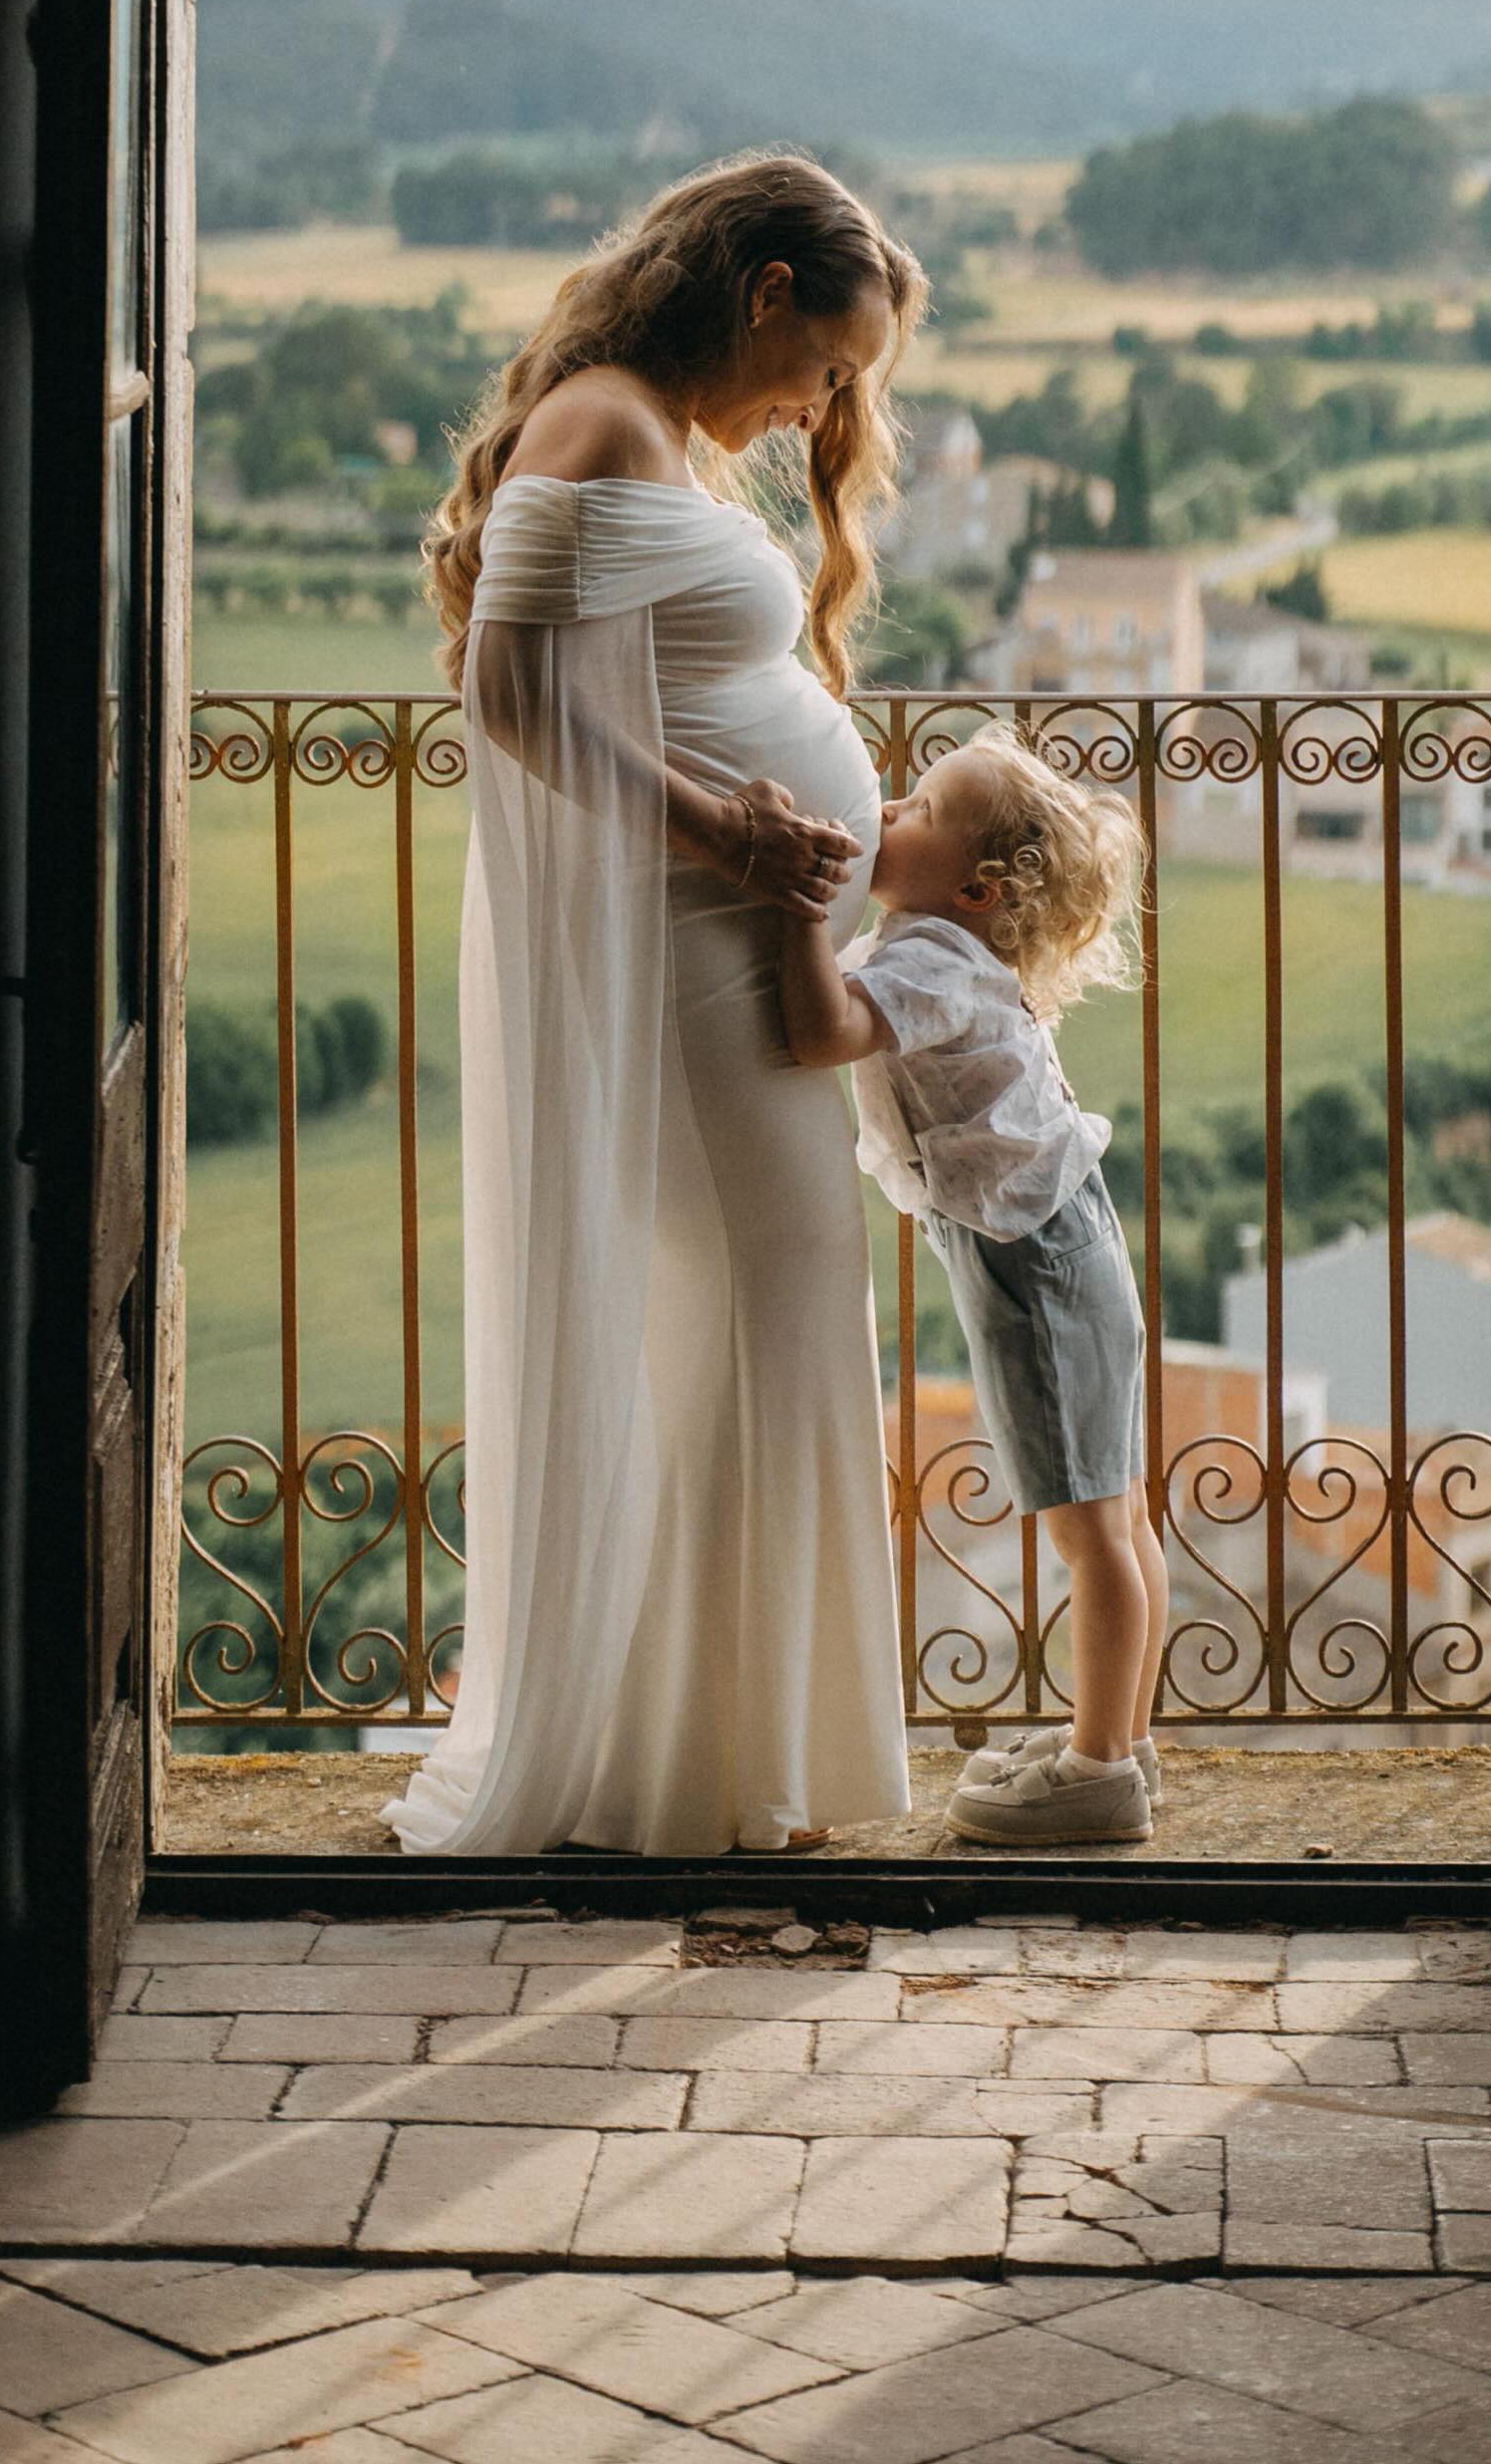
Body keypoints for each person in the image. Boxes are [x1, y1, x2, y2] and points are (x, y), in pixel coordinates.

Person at [389, 152, 926, 1862]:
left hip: (736, 930)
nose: (823, 403)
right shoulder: (605, 422)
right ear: (765, 291)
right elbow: (514, 690)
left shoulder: (660, 430)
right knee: (765, 1301)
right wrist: (737, 827)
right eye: (828, 360)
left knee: (764, 1311)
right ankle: (689, 1765)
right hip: (693, 936)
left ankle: (726, 1745)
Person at [777, 733, 1168, 1848]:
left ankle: (1097, 1776)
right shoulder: (935, 940)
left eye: (921, 804)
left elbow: (819, 1031)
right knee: (1116, 1511)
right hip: (1065, 1239)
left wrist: (798, 911)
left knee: (1089, 1526)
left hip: (1031, 1264)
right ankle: (1118, 1741)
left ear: (976, 886)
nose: (888, 807)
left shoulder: (931, 961)